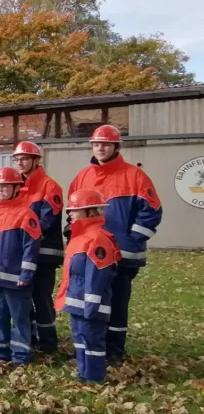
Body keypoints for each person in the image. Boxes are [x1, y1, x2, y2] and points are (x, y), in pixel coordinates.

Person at [68, 124, 162, 364]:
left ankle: (114, 350)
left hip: (123, 256)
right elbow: (72, 213)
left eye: (106, 144)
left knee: (117, 302)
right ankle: (91, 347)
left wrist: (130, 241)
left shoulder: (135, 176)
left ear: (116, 146)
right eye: (97, 144)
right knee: (91, 300)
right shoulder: (82, 176)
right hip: (89, 254)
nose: (100, 148)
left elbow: (152, 212)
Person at [55, 189, 119, 384]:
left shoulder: (97, 239)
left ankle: (94, 377)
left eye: (76, 210)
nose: (70, 213)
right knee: (81, 340)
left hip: (91, 306)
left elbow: (96, 278)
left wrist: (91, 308)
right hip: (77, 301)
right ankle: (84, 373)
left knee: (92, 342)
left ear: (89, 211)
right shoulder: (79, 236)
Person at [0, 167, 42, 366]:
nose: (0, 190)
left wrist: (26, 275)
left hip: (16, 279)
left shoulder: (27, 215)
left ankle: (21, 356)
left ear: (17, 188)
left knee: (19, 319)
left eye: (5, 186)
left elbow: (31, 248)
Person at [12, 141, 65, 353]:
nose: (20, 162)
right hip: (22, 254)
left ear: (36, 160)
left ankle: (48, 342)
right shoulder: (15, 186)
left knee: (41, 299)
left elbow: (47, 221)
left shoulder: (50, 187)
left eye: (25, 158)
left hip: (43, 255)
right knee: (23, 299)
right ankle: (30, 338)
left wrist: (21, 240)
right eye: (17, 159)